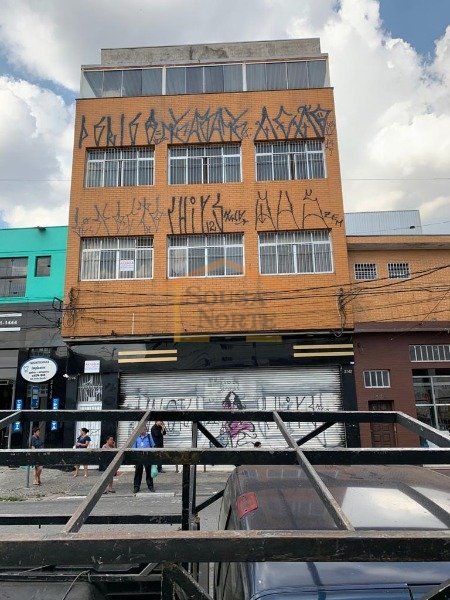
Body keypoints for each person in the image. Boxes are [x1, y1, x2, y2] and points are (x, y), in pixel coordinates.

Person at [132, 426, 155, 493]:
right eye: (140, 429)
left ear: (146, 430)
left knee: (149, 472)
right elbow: (133, 448)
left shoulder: (149, 436)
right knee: (138, 472)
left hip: (147, 456)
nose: (141, 430)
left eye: (143, 429)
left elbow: (153, 446)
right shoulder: (136, 437)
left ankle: (150, 486)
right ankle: (136, 487)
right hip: (139, 456)